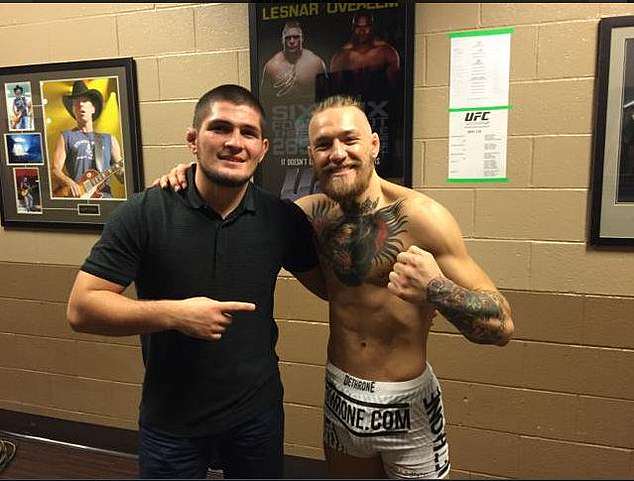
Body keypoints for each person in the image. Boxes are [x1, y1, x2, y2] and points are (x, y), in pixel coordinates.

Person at [157, 95, 514, 479]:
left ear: (373, 144)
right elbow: (235, 200)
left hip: (407, 404)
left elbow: (502, 327)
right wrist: (190, 176)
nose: (338, 153)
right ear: (312, 155)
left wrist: (436, 288)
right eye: (324, 144)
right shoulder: (307, 215)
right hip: (342, 396)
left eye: (349, 139)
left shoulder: (422, 217)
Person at [66, 84, 326, 479]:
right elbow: (82, 308)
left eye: (248, 133)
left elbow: (330, 287)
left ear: (262, 149)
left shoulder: (281, 219)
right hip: (171, 419)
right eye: (220, 128)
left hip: (255, 415)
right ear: (193, 140)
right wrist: (176, 315)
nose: (235, 142)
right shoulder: (144, 212)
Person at [50, 80, 123, 198]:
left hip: (104, 199)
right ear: (73, 111)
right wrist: (70, 183)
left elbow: (122, 177)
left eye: (84, 101)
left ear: (93, 109)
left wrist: (126, 168)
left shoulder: (109, 139)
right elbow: (55, 171)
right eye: (76, 103)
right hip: (78, 199)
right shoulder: (66, 136)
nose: (80, 105)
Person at [260, 21, 327, 102]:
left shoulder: (316, 63)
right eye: (288, 38)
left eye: (296, 37)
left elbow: (328, 97)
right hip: (280, 109)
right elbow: (263, 99)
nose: (292, 41)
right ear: (282, 40)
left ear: (302, 39)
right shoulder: (272, 66)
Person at [329, 13, 400, 89]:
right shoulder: (341, 56)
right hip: (351, 96)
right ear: (353, 28)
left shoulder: (386, 52)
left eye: (366, 27)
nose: (362, 31)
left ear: (371, 28)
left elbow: (395, 87)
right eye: (358, 27)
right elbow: (335, 89)